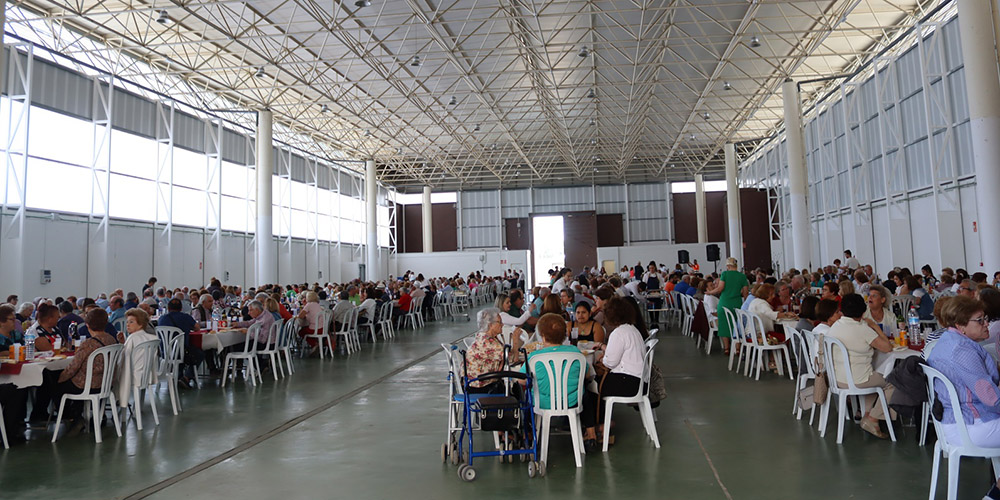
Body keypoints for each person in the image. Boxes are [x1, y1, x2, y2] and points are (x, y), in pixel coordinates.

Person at [923, 295, 1000, 500]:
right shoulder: (962, 351)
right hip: (971, 426)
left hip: (956, 421)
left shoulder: (948, 340)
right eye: (980, 320)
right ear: (961, 325)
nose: (987, 325)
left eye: (986, 319)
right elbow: (991, 399)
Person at [520, 312, 598, 450]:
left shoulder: (534, 356)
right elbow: (585, 375)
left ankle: (528, 434)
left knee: (526, 396)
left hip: (543, 402)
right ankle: (591, 434)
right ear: (564, 335)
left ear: (542, 336)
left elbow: (522, 380)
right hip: (572, 401)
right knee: (584, 391)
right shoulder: (575, 352)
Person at [31, 308, 118, 430]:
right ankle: (77, 414)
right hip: (105, 383)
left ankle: (72, 417)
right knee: (63, 381)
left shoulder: (88, 344)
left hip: (87, 385)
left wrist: (61, 378)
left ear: (87, 325)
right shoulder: (111, 340)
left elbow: (73, 367)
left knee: (54, 384)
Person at [825, 293, 895, 439]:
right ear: (863, 312)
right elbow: (887, 347)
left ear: (842, 310)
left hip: (836, 378)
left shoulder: (836, 325)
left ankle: (868, 414)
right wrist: (875, 326)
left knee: (874, 376)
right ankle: (873, 419)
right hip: (858, 380)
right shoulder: (863, 330)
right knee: (893, 382)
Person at [593, 296, 646, 446]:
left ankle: (600, 424)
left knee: (593, 386)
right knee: (597, 383)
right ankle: (602, 422)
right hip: (638, 380)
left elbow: (610, 362)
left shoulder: (618, 333)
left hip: (628, 383)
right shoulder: (631, 329)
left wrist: (602, 358)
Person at [465, 308, 522, 393]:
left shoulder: (483, 336)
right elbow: (513, 359)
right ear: (490, 325)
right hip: (480, 386)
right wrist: (515, 340)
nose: (502, 325)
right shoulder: (489, 343)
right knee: (518, 387)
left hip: (475, 382)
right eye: (499, 322)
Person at [115, 308, 159, 410]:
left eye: (131, 322)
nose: (128, 325)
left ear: (140, 324)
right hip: (146, 375)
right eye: (127, 322)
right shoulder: (152, 338)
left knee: (111, 378)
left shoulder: (132, 338)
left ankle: (118, 403)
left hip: (132, 376)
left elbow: (124, 359)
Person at [708, 257, 749, 355]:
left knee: (724, 325)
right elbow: (745, 293)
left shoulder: (725, 274)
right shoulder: (742, 276)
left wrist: (709, 292)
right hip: (737, 303)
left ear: (728, 266)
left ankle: (727, 348)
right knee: (737, 325)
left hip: (725, 302)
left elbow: (719, 289)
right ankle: (737, 348)